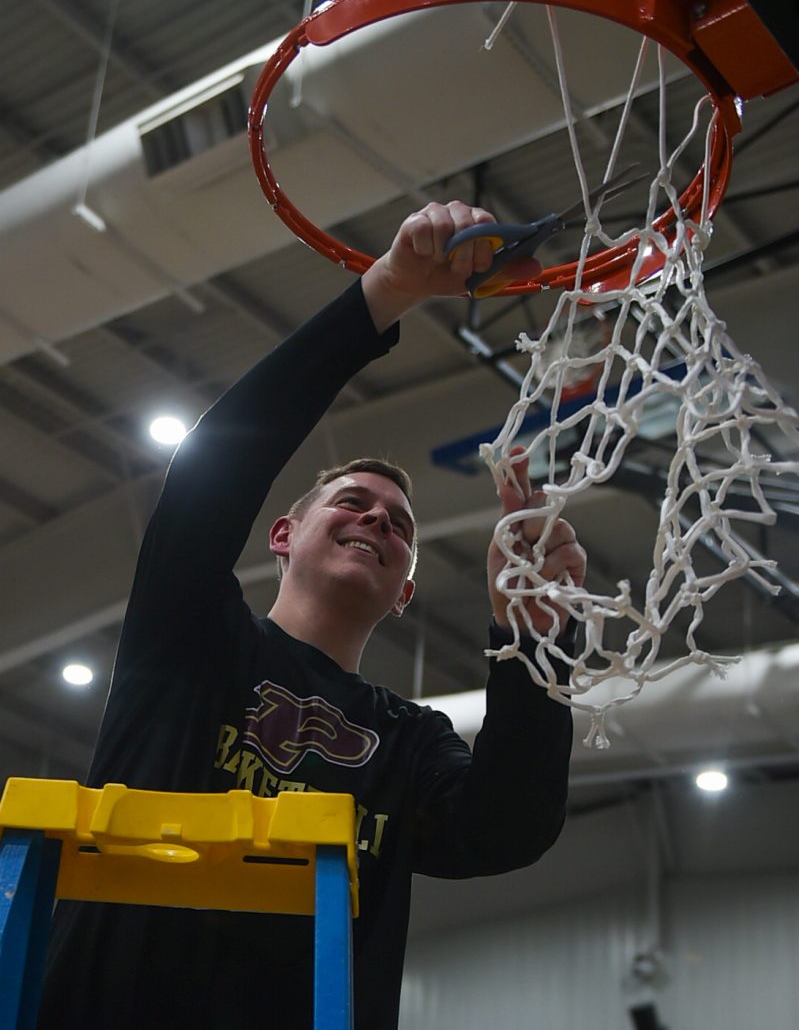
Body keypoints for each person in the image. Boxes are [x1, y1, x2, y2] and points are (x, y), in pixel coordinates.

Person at [39, 201, 585, 1030]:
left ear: (405, 590)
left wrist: (534, 647)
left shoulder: (408, 743)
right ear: (284, 535)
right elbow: (209, 475)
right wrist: (385, 291)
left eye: (398, 525)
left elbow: (506, 830)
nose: (377, 521)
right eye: (353, 503)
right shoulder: (190, 636)